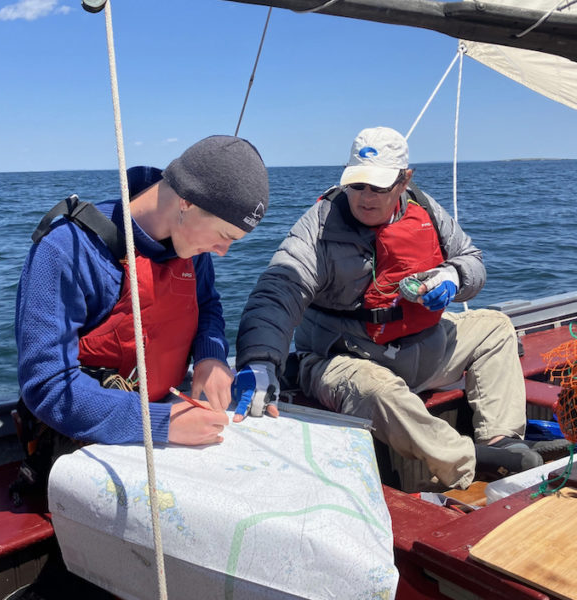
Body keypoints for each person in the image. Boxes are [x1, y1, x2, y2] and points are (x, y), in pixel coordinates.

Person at [231, 126, 568, 490]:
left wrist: (454, 277)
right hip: (345, 357)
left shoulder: (426, 209)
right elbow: (278, 289)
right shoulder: (318, 227)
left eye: (378, 187)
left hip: (423, 346)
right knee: (378, 391)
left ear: (405, 180)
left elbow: (472, 260)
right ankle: (468, 462)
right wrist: (260, 360)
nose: (365, 197)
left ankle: (502, 442)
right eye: (357, 184)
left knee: (496, 326)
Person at [15, 135, 269, 462]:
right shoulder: (65, 251)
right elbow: (48, 386)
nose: (222, 252)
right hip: (82, 440)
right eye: (224, 236)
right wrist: (160, 424)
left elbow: (207, 307)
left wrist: (211, 355)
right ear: (187, 202)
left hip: (168, 411)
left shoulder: (192, 248)